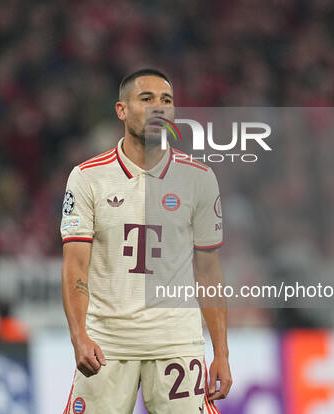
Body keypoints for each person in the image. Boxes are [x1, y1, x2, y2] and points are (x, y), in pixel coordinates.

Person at [61, 68, 231, 413]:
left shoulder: (199, 179)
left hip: (176, 342)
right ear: (121, 110)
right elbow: (75, 265)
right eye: (146, 99)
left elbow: (209, 272)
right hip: (107, 343)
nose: (158, 108)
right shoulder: (87, 177)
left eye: (166, 101)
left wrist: (221, 353)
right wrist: (79, 336)